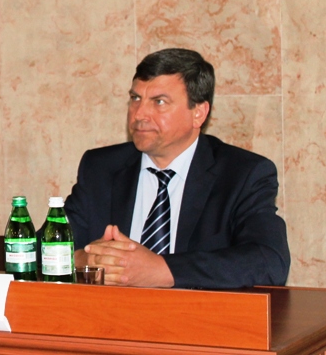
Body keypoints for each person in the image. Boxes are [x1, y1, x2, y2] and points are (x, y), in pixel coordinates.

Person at [65, 48, 290, 289]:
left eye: (159, 102)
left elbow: (269, 262)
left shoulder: (242, 174)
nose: (139, 114)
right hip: (111, 312)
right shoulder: (101, 168)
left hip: (198, 312)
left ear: (198, 113)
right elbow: (44, 247)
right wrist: (83, 260)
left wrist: (162, 270)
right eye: (135, 98)